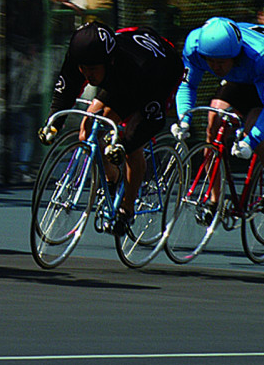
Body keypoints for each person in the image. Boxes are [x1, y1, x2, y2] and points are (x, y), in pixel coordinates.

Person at [39, 21, 183, 232]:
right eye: (83, 69)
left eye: (92, 70)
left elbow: (152, 121)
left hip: (158, 75)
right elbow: (66, 90)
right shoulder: (80, 56)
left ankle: (126, 210)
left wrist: (125, 145)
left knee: (131, 146)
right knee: (88, 127)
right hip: (121, 73)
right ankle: (112, 179)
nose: (87, 75)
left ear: (110, 61)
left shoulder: (139, 70)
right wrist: (53, 123)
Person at [172, 17, 264, 211]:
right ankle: (213, 200)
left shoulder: (263, 55)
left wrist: (250, 142)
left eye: (220, 62)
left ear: (235, 54)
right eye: (209, 61)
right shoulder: (194, 47)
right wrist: (184, 119)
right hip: (238, 76)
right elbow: (188, 85)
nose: (215, 67)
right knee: (213, 122)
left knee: (252, 131)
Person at [6, 0, 44, 183]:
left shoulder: (40, 6)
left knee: (30, 119)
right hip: (7, 69)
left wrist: (32, 52)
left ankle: (24, 166)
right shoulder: (6, 2)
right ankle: (11, 164)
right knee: (12, 119)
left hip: (33, 74)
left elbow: (41, 37)